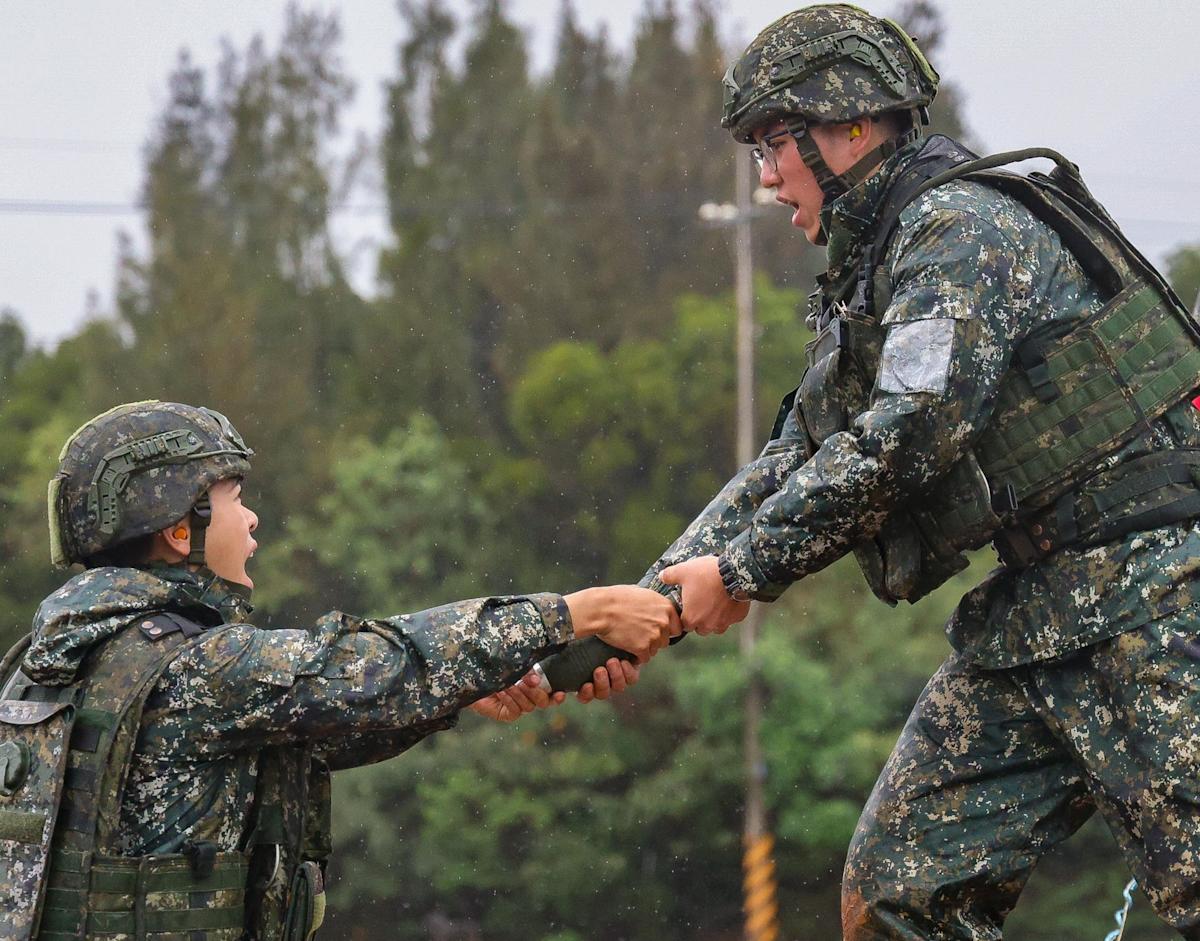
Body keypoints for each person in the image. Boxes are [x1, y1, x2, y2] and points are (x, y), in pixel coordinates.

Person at [636, 5, 1200, 938]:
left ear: (853, 128)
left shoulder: (959, 228)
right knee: (901, 892)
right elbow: (801, 452)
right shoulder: (882, 258)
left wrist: (740, 572)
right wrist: (642, 605)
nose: (766, 179)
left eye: (773, 144)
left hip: (1158, 592)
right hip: (1042, 611)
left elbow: (911, 430)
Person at [0, 400, 680, 940]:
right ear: (182, 529)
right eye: (235, 498)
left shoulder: (49, 664)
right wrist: (573, 613)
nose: (253, 520)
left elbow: (312, 731)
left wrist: (462, 692)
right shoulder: (198, 667)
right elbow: (377, 667)